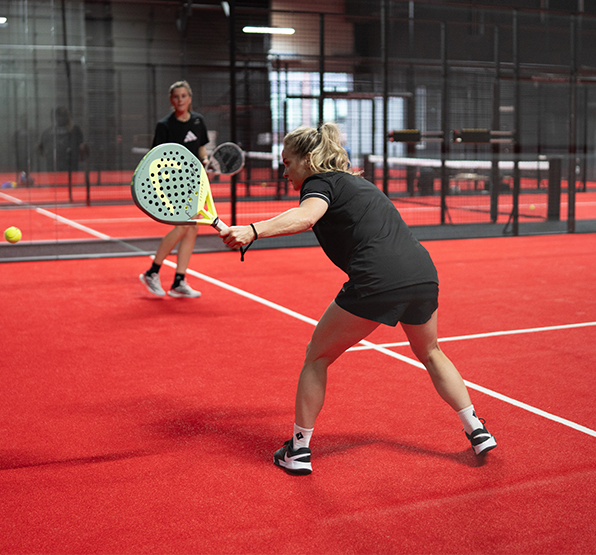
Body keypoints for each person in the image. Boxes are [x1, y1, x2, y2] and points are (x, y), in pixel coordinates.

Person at [219, 122, 497, 475]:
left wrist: (252, 230)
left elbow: (307, 217)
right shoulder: (357, 182)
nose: (284, 171)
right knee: (431, 351)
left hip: (378, 278)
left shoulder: (318, 183)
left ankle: (299, 450)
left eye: (288, 163)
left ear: (307, 160)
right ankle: (476, 428)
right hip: (423, 273)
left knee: (316, 356)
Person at [139, 80, 210, 299]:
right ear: (171, 100)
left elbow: (201, 148)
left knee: (193, 229)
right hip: (172, 184)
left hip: (195, 182)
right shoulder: (165, 125)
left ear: (190, 99)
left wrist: (205, 160)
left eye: (183, 96)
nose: (180, 100)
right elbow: (156, 157)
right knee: (182, 227)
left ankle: (179, 281)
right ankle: (152, 272)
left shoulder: (198, 121)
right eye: (176, 97)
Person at [38, 106, 86, 173]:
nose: (60, 118)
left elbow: (82, 148)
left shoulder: (75, 130)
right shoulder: (48, 132)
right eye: (59, 116)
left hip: (69, 166)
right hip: (56, 167)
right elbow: (41, 150)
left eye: (62, 116)